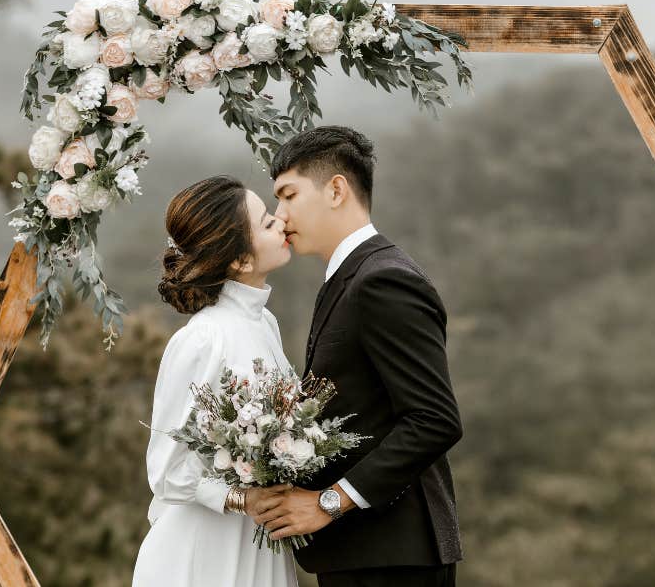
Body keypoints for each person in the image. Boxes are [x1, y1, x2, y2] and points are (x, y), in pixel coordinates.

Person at [251, 126, 464, 587]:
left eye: (288, 195)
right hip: (365, 554)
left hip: (394, 557)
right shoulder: (348, 277)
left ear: (335, 189)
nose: (279, 214)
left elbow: (434, 419)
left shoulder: (383, 280)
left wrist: (329, 501)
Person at [132, 175, 299, 587]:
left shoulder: (266, 323)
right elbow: (166, 471)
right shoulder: (202, 339)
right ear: (240, 260)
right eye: (265, 223)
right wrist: (244, 499)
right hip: (204, 552)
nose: (280, 222)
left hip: (259, 544)